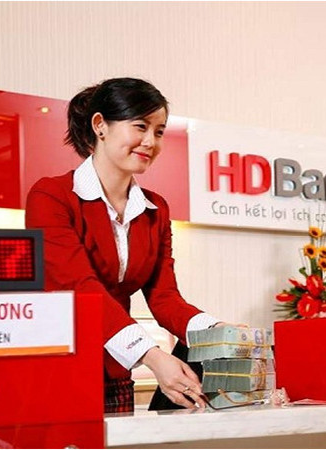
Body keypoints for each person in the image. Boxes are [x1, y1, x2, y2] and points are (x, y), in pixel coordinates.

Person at [26, 78, 225, 413]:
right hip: (59, 371)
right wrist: (152, 356)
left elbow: (164, 298)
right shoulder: (51, 196)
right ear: (100, 125)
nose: (150, 142)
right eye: (140, 127)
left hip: (117, 370)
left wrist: (217, 331)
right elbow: (80, 288)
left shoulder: (155, 209)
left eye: (159, 131)